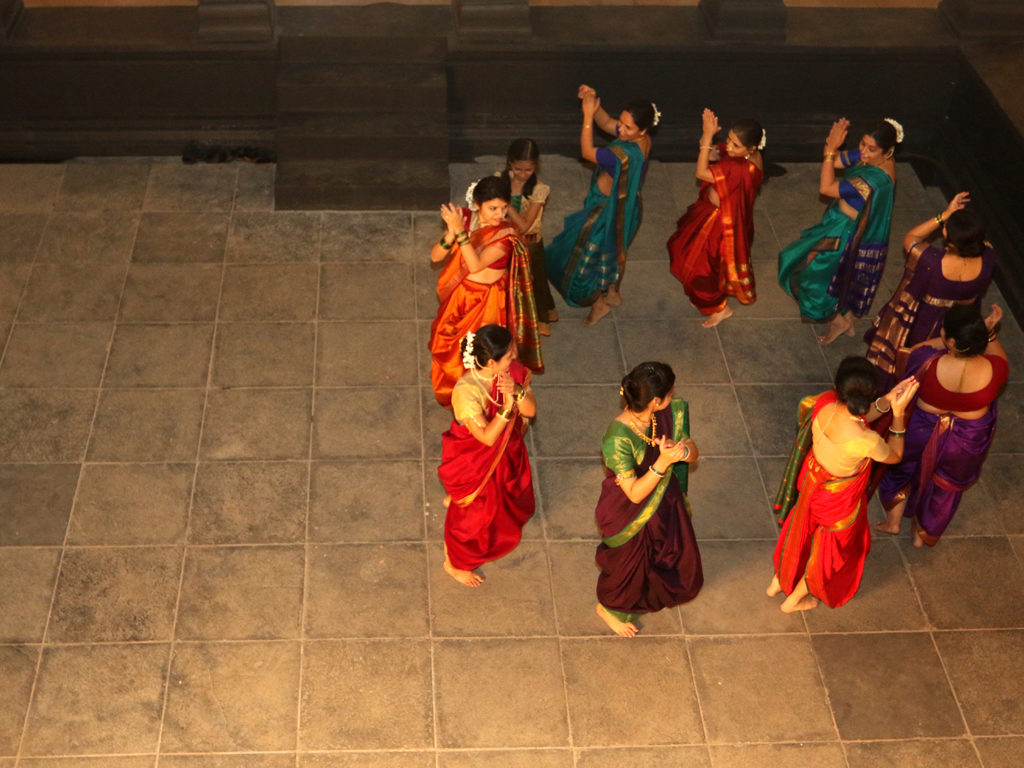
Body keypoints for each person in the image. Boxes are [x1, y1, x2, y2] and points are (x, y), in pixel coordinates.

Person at [768, 356, 919, 612]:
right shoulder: (865, 440)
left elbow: (859, 415)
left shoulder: (825, 403)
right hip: (837, 499)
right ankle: (794, 600)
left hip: (812, 483)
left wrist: (888, 399)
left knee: (800, 531)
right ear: (869, 392)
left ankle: (778, 582)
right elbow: (894, 455)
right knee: (829, 552)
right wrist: (899, 414)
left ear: (837, 386)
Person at [876, 305, 1007, 547]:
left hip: (922, 429)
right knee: (947, 485)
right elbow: (999, 355)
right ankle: (922, 533)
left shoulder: (927, 361)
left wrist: (946, 342)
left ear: (952, 341)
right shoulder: (996, 368)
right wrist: (986, 333)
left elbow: (909, 354)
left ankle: (893, 522)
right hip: (967, 438)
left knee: (903, 468)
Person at [594, 362, 702, 637]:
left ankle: (647, 585)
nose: (672, 396)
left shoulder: (666, 413)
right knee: (627, 561)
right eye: (669, 393)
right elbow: (634, 493)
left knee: (665, 548)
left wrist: (682, 451)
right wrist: (663, 463)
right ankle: (610, 608)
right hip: (629, 510)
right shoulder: (617, 438)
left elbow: (693, 451)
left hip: (665, 499)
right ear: (654, 400)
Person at [778, 117, 901, 345]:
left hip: (844, 236)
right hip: (838, 223)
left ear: (888, 152)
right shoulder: (873, 159)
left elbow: (826, 188)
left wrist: (829, 149)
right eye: (862, 144)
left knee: (810, 277)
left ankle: (838, 321)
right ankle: (845, 321)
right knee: (831, 275)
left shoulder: (874, 179)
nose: (863, 151)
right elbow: (836, 163)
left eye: (871, 148)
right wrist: (831, 148)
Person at [428, 175, 544, 408]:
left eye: (504, 208)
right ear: (478, 203)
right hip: (461, 297)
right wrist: (452, 232)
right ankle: (461, 398)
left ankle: (484, 401)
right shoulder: (466, 218)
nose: (499, 215)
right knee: (453, 351)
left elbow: (475, 265)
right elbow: (435, 256)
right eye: (493, 208)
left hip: (488, 303)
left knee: (483, 353)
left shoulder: (506, 234)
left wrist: (461, 233)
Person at [546, 84, 657, 326]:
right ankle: (614, 292)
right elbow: (608, 123)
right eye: (623, 122)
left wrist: (586, 116)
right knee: (618, 250)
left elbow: (587, 152)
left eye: (629, 127)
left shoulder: (619, 157)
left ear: (643, 130)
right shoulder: (642, 140)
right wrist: (593, 102)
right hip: (628, 208)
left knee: (589, 257)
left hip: (606, 211)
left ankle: (599, 303)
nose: (622, 130)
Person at [438, 324, 538, 586]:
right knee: (471, 519)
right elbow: (485, 438)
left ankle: (459, 497)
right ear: (492, 362)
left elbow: (529, 412)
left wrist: (516, 391)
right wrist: (506, 406)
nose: (515, 357)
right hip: (475, 459)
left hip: (507, 450)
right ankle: (454, 562)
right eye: (508, 355)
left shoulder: (510, 374)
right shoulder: (466, 391)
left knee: (505, 494)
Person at [864, 193, 997, 390]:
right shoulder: (989, 258)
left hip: (925, 324)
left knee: (912, 361)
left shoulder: (931, 261)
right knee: (936, 371)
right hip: (960, 325)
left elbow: (912, 238)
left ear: (950, 242)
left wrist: (945, 214)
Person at [668, 109, 764, 327]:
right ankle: (704, 296)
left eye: (735, 145)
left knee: (705, 267)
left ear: (751, 149)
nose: (729, 146)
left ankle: (720, 308)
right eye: (729, 139)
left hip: (720, 226)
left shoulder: (737, 168)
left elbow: (702, 172)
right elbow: (715, 154)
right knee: (688, 252)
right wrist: (709, 140)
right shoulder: (744, 157)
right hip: (713, 215)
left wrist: (707, 138)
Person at [501, 139, 558, 337]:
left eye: (528, 169)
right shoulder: (501, 179)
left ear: (536, 166)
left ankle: (541, 317)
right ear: (510, 163)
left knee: (534, 281)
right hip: (506, 239)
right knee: (509, 280)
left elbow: (525, 225)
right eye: (518, 169)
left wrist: (505, 204)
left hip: (530, 243)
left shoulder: (539, 189)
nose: (523, 174)